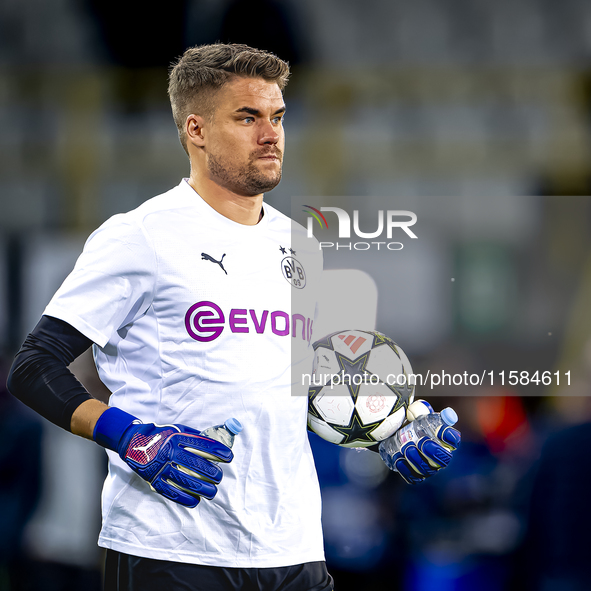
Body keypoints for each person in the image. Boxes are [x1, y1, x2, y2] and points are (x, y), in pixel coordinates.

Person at [7, 43, 459, 591]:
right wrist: (131, 436)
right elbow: (33, 367)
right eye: (248, 117)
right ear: (196, 129)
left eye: (278, 117)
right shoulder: (141, 236)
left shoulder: (299, 245)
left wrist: (385, 430)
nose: (271, 134)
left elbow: (290, 392)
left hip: (293, 550)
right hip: (170, 550)